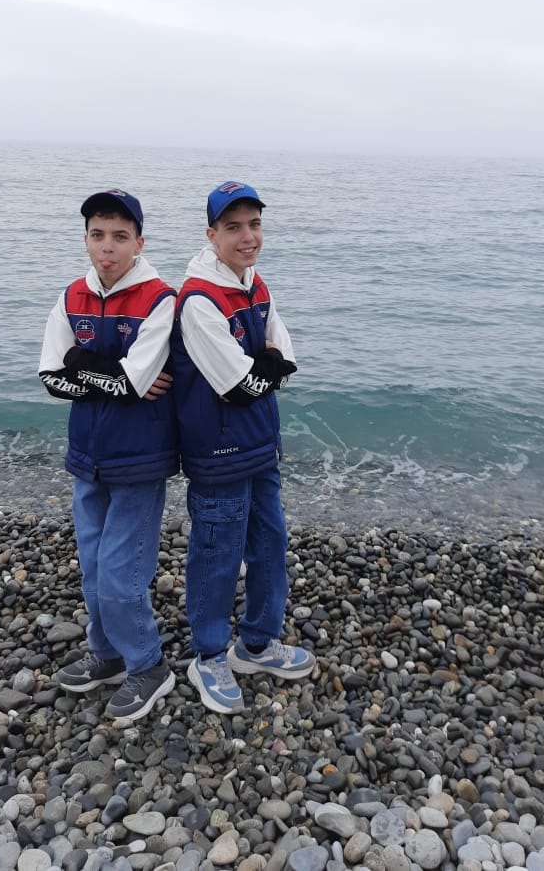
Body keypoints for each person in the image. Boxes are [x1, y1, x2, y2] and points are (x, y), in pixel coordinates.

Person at [171, 180, 315, 713]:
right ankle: (208, 655)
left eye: (254, 224)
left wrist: (269, 366)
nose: (247, 236)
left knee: (270, 544)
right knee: (216, 553)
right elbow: (238, 385)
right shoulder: (198, 299)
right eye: (233, 227)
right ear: (212, 235)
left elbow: (285, 358)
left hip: (260, 444)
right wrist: (268, 366)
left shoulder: (256, 286)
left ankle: (256, 643)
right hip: (218, 452)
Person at [38, 188, 178, 721]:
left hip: (139, 460)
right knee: (94, 570)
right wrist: (103, 373)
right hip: (86, 456)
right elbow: (52, 376)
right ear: (86, 239)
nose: (107, 247)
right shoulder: (71, 295)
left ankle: (148, 664)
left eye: (120, 236)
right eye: (98, 235)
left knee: (122, 574)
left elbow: (132, 381)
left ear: (139, 242)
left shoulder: (160, 299)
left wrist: (81, 362)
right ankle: (108, 655)